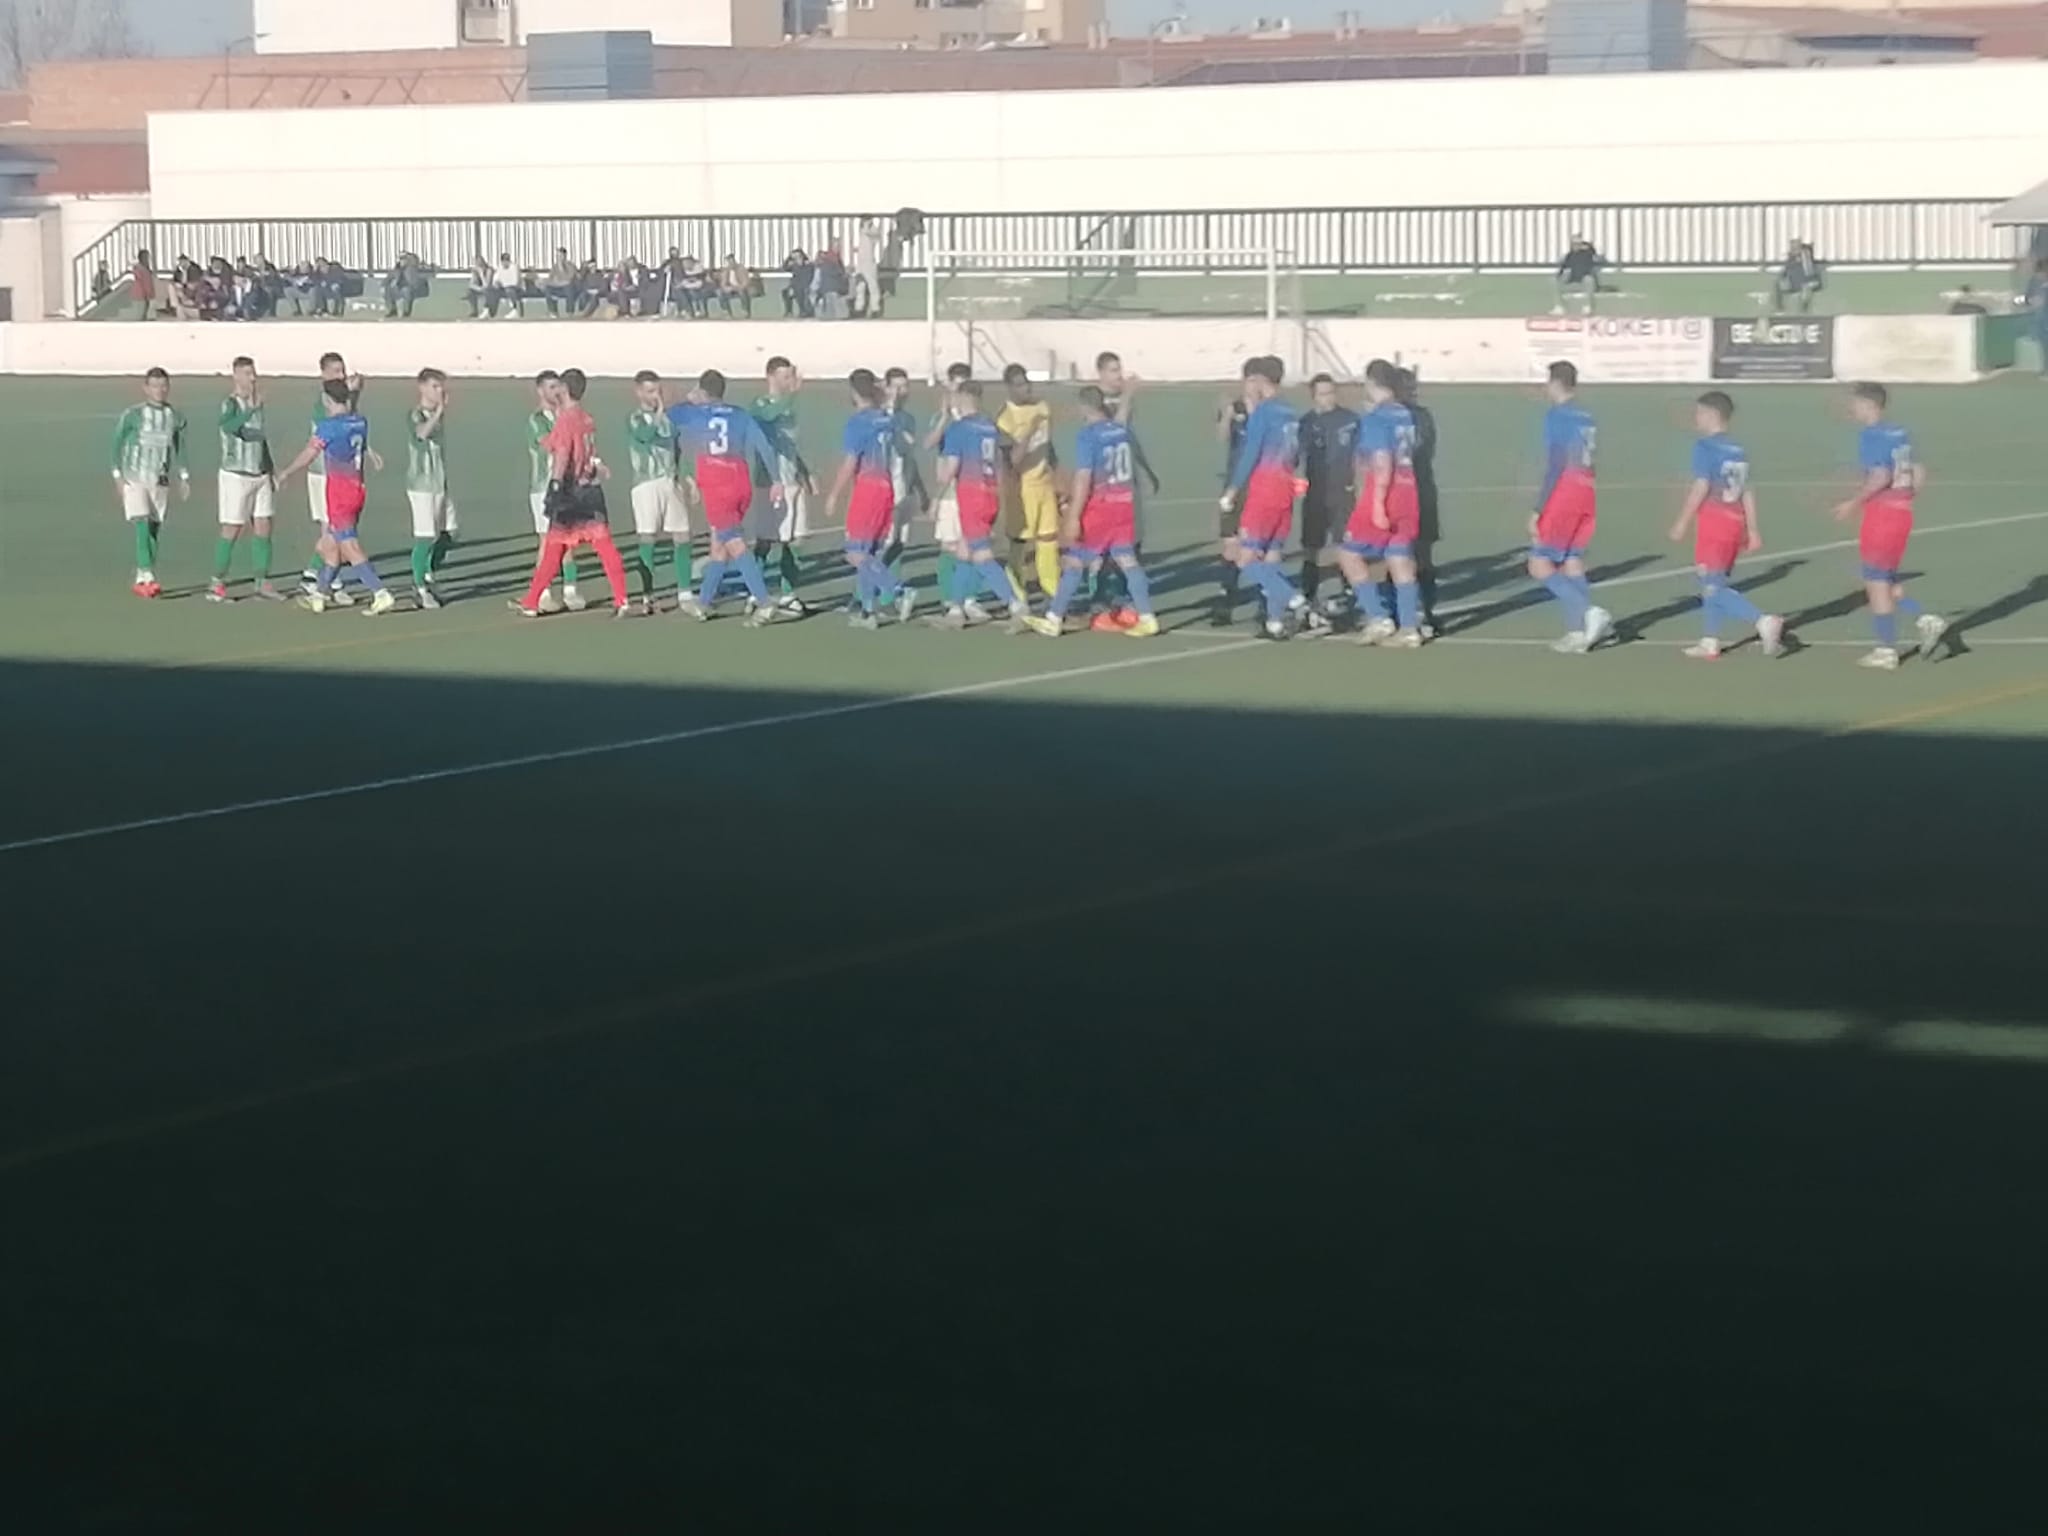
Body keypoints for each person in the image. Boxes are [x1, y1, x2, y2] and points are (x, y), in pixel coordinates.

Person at [1026, 387, 1159, 639]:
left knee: (1075, 560)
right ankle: (1147, 617)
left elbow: (1083, 476)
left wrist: (1074, 515)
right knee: (1127, 559)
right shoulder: (1121, 431)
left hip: (1101, 506)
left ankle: (1054, 618)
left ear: (1084, 407)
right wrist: (1128, 397)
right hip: (1125, 503)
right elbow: (1123, 420)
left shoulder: (1087, 436)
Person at [1832, 382, 1947, 670]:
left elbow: (1881, 474)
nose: (1852, 409)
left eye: (1855, 404)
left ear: (1870, 405)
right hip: (1901, 512)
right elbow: (1919, 470)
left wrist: (1853, 503)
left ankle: (1888, 649)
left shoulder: (1871, 436)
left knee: (1875, 582)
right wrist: (1907, 497)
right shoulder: (1901, 433)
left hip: (1882, 514)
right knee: (1883, 578)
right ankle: (1921, 620)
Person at [1669, 391, 1785, 661]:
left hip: (1714, 521)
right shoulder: (1738, 450)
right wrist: (1753, 529)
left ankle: (1762, 620)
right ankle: (1710, 641)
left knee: (1710, 583)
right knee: (1714, 580)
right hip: (1735, 523)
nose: (1695, 419)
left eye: (1698, 413)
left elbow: (1702, 486)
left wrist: (1682, 521)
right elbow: (1747, 490)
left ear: (1711, 415)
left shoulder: (1705, 447)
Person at [516, 369, 632, 618]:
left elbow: (562, 453)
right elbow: (588, 450)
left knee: (554, 548)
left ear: (565, 390)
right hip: (590, 490)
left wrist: (556, 485)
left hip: (570, 492)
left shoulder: (566, 420)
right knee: (605, 547)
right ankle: (622, 598)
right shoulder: (587, 418)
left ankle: (532, 600)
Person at [672, 369, 783, 624]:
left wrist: (690, 399)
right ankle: (704, 602)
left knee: (733, 541)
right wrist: (776, 479)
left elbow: (670, 416)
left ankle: (764, 601)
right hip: (740, 481)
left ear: (703, 391)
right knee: (719, 544)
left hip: (716, 484)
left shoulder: (696, 412)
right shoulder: (740, 414)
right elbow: (763, 445)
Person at [276, 379, 395, 616]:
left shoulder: (327, 427)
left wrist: (286, 472)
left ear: (327, 400)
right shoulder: (360, 422)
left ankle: (380, 592)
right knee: (327, 545)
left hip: (339, 491)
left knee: (348, 546)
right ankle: (319, 595)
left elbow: (310, 454)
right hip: (357, 488)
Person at [1218, 356, 1308, 640]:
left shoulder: (1264, 413)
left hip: (1263, 490)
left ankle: (1294, 599)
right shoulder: (1291, 413)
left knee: (1246, 558)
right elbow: (1296, 455)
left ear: (1260, 380)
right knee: (1271, 558)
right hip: (1285, 490)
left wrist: (1232, 491)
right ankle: (1274, 622)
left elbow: (1250, 454)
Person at [1339, 359, 1426, 649]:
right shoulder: (1405, 415)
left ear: (1372, 383)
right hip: (1408, 491)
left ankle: (1378, 617)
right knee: (1399, 558)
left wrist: (1377, 503)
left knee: (1350, 555)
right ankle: (1410, 628)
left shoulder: (1375, 418)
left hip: (1385, 492)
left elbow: (1381, 460)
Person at [929, 380, 1027, 630]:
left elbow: (950, 468)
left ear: (962, 398)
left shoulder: (959, 429)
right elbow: (1009, 452)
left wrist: (936, 498)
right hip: (991, 493)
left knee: (982, 556)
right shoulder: (990, 427)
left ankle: (1016, 605)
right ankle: (956, 610)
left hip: (971, 496)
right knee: (965, 552)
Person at [1527, 360, 1609, 653]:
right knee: (1572, 561)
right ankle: (1578, 632)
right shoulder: (1587, 416)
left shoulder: (1557, 415)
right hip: (1587, 487)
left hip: (1565, 489)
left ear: (1555, 383)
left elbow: (1556, 463)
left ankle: (1588, 612)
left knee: (1539, 564)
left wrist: (1539, 508)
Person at [827, 370, 915, 629]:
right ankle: (868, 612)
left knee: (855, 552)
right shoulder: (885, 419)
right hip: (886, 486)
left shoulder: (858, 422)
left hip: (868, 488)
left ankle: (899, 590)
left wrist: (834, 494)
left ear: (853, 392)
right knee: (869, 553)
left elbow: (850, 462)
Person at [1089, 351, 1159, 630]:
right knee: (1105, 547)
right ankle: (1100, 604)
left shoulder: (1124, 401)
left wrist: (1145, 468)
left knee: (1133, 540)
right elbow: (1113, 431)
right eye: (1113, 370)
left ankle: (1125, 602)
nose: (1119, 375)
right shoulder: (1094, 401)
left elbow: (1128, 437)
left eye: (1120, 369)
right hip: (1106, 484)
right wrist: (1129, 396)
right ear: (1101, 373)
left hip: (1128, 481)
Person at [110, 367, 191, 598]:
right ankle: (148, 573)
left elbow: (179, 446)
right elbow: (116, 443)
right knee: (142, 522)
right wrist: (117, 475)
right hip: (134, 477)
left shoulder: (175, 416)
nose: (160, 390)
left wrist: (184, 476)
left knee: (154, 526)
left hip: (160, 479)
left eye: (163, 386)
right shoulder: (133, 415)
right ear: (146, 388)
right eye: (155, 386)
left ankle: (142, 577)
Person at [208, 355, 283, 603]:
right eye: (248, 374)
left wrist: (270, 469)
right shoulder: (230, 403)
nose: (253, 378)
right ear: (236, 376)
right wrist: (251, 409)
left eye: (253, 373)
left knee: (263, 526)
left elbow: (261, 439)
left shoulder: (257, 404)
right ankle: (217, 581)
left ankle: (262, 580)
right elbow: (228, 427)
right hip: (235, 475)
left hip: (259, 473)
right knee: (233, 527)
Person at [748, 355, 814, 614]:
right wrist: (791, 395)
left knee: (793, 540)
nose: (789, 381)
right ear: (771, 377)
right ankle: (755, 593)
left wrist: (805, 472)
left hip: (792, 480)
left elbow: (790, 445)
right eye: (785, 377)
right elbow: (767, 417)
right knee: (765, 540)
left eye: (791, 376)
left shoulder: (790, 408)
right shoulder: (759, 405)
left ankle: (788, 594)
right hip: (769, 483)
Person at [995, 363, 1063, 604]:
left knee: (1049, 541)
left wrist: (1059, 479)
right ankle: (1017, 595)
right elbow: (1012, 460)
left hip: (1044, 484)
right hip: (1020, 490)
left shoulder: (1043, 407)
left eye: (1027, 383)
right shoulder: (1005, 418)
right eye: (1020, 385)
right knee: (1019, 544)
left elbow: (1049, 446)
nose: (1026, 389)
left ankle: (1053, 594)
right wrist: (1029, 431)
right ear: (1009, 388)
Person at [626, 369, 691, 614]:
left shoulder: (669, 421)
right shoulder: (634, 418)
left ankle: (685, 593)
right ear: (639, 392)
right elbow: (644, 436)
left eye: (658, 391)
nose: (656, 397)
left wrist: (686, 476)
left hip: (669, 482)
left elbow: (677, 449)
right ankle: (647, 594)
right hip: (646, 485)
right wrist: (660, 414)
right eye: (651, 392)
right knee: (648, 537)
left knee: (682, 535)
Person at [300, 353, 364, 599]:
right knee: (331, 528)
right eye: (336, 371)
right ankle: (325, 580)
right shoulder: (324, 401)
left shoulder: (342, 398)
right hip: (322, 472)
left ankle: (317, 575)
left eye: (343, 370)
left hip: (339, 474)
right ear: (324, 374)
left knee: (339, 527)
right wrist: (353, 395)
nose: (342, 376)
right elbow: (335, 424)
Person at [1296, 373, 1357, 622]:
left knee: (1345, 546)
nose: (1328, 398)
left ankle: (1351, 592)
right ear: (1313, 397)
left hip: (1343, 492)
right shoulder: (1306, 423)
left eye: (1331, 392)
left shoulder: (1351, 421)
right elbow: (1295, 456)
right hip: (1316, 494)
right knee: (1312, 548)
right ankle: (1308, 597)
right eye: (1322, 394)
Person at [521, 370, 579, 612]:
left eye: (558, 387)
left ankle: (571, 589)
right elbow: (550, 444)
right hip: (543, 487)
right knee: (547, 539)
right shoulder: (537, 420)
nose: (556, 392)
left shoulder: (567, 416)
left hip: (567, 486)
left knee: (569, 538)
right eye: (551, 387)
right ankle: (543, 591)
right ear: (540, 391)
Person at [405, 368, 458, 611]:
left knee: (450, 532)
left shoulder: (439, 415)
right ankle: (419, 586)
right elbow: (421, 434)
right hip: (421, 485)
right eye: (435, 387)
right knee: (425, 537)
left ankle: (428, 573)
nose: (440, 392)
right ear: (422, 387)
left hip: (440, 482)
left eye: (441, 387)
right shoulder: (415, 414)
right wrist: (438, 412)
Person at [923, 361, 974, 608]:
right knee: (949, 545)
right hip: (949, 492)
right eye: (956, 382)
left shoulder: (975, 417)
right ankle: (948, 598)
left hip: (972, 489)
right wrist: (944, 417)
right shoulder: (942, 418)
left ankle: (971, 599)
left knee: (972, 544)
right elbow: (928, 443)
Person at [1212, 382, 1252, 624]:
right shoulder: (1235, 408)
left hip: (1258, 487)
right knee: (1230, 544)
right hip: (1233, 486)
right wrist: (1226, 415)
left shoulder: (1268, 411)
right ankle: (1226, 600)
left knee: (1258, 547)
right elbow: (1221, 437)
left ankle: (1271, 603)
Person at [1772, 240, 1824, 314]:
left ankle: (1804, 309)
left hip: (1806, 284)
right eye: (1792, 248)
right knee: (1777, 284)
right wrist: (1782, 279)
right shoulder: (1790, 260)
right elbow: (1784, 273)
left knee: (1806, 288)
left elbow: (1811, 273)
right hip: (1794, 285)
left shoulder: (1806, 257)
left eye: (1795, 248)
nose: (1793, 250)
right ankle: (1779, 307)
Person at [1556, 235, 1605, 313]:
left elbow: (1597, 255)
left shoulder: (1587, 254)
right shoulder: (1569, 256)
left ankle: (1587, 307)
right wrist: (1560, 277)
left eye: (1578, 244)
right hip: (1573, 282)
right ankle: (1559, 307)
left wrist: (1589, 246)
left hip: (1586, 282)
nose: (1576, 246)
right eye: (1574, 244)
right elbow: (1562, 270)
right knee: (1555, 281)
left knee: (1588, 279)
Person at [781, 249, 815, 318]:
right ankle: (789, 311)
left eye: (798, 257)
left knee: (803, 297)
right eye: (795, 258)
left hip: (805, 286)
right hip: (796, 286)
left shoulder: (809, 265)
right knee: (786, 292)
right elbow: (784, 268)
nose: (797, 259)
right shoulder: (794, 265)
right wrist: (788, 258)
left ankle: (805, 312)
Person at [543, 248, 577, 317]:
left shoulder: (570, 265)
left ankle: (570, 312)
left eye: (560, 256)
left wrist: (561, 267)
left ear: (565, 256)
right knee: (547, 288)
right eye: (557, 256)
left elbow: (568, 279)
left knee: (569, 287)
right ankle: (553, 312)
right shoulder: (555, 267)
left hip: (568, 288)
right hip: (557, 287)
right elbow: (551, 279)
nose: (558, 258)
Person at [490, 253, 523, 318]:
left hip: (516, 288)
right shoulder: (500, 268)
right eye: (504, 260)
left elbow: (515, 282)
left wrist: (504, 284)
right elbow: (496, 279)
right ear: (502, 261)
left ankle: (514, 310)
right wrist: (497, 283)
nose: (506, 262)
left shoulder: (514, 267)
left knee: (509, 290)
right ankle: (491, 312)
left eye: (507, 260)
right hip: (503, 288)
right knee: (491, 291)